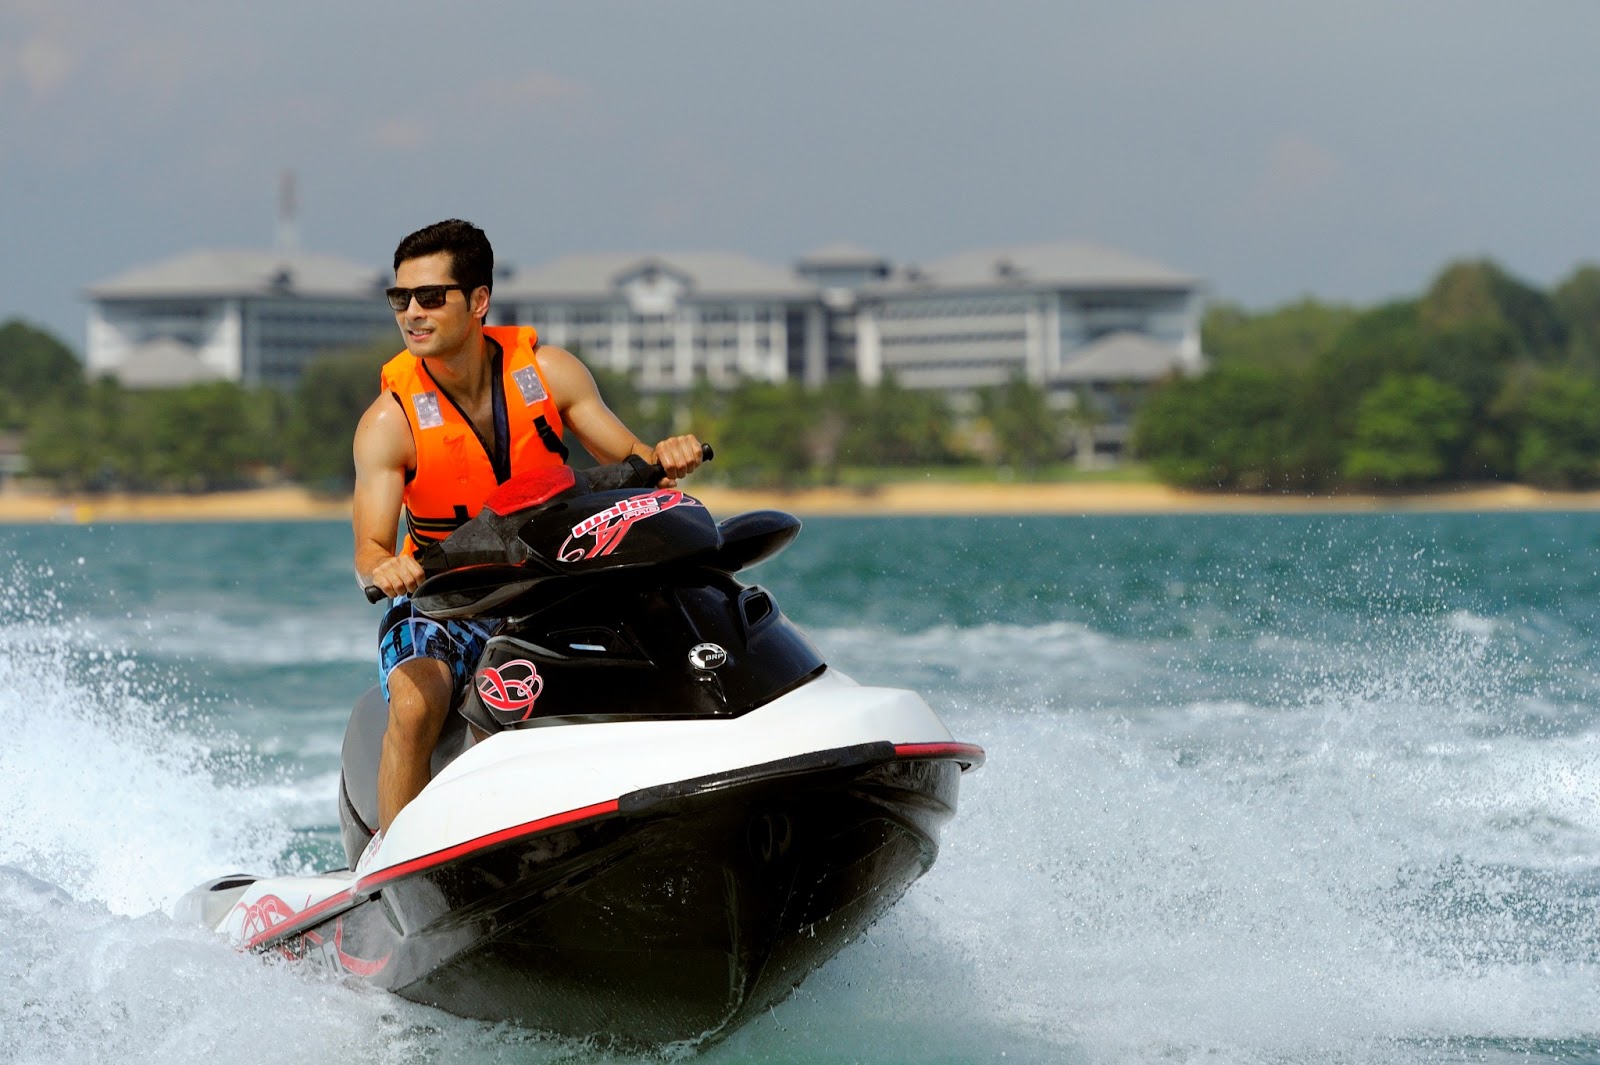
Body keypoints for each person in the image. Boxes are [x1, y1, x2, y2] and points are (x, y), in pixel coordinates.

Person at [352, 219, 703, 835]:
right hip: (446, 601)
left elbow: (636, 469)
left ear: (479, 300)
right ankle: (391, 871)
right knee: (415, 700)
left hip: (556, 584)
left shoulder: (550, 373)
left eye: (431, 297)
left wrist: (666, 456)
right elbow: (370, 548)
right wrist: (388, 565)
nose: (412, 313)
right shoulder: (391, 419)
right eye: (400, 299)